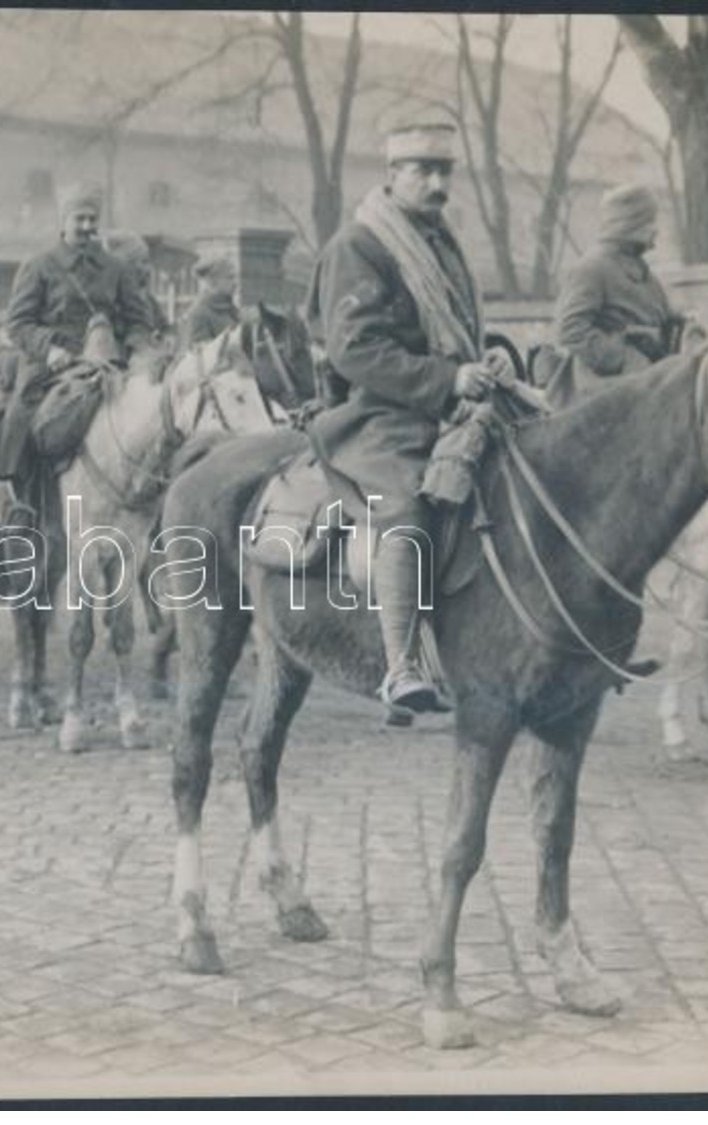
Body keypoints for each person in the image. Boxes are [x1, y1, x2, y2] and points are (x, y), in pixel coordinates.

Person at [304, 122, 510, 714]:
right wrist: (448, 379)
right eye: (422, 170)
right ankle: (400, 665)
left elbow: (456, 330)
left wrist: (488, 355)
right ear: (392, 175)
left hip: (454, 405)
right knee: (407, 506)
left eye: (444, 170)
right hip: (379, 413)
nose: (437, 182)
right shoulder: (360, 246)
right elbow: (356, 350)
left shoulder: (441, 241)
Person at [0, 181, 159, 519]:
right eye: (79, 218)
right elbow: (18, 323)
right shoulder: (39, 265)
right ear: (63, 220)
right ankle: (14, 492)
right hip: (52, 363)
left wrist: (140, 352)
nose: (86, 226)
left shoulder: (117, 269)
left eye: (92, 219)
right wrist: (50, 350)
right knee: (21, 415)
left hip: (109, 362)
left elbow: (138, 321)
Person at [551, 183, 681, 401]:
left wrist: (684, 327)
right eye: (650, 221)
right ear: (631, 224)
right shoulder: (592, 269)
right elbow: (569, 330)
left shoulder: (646, 275)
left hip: (648, 383)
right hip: (605, 392)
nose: (655, 229)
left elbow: (663, 321)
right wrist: (622, 357)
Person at [103, 229, 173, 341]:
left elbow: (166, 329)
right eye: (143, 262)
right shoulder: (109, 300)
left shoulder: (148, 300)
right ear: (125, 267)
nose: (148, 269)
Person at [179, 253, 241, 352]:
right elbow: (202, 359)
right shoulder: (199, 314)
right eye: (230, 277)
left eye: (235, 277)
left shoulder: (231, 309)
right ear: (213, 281)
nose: (235, 282)